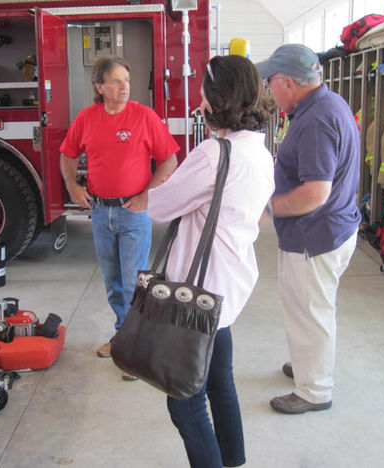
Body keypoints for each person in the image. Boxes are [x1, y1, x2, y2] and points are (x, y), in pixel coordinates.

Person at [148, 55, 275, 468]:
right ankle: (234, 461)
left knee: (184, 404)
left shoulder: (213, 153)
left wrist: (171, 184)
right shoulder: (259, 152)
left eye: (202, 91)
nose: (198, 99)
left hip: (196, 292)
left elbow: (160, 206)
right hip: (227, 286)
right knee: (221, 384)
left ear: (216, 98)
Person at [255, 44, 361, 414]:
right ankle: (307, 364)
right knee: (308, 308)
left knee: (310, 311)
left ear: (287, 82)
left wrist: (267, 207)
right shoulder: (325, 105)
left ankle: (314, 390)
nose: (269, 89)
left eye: (270, 81)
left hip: (314, 237)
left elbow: (315, 193)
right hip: (331, 229)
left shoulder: (316, 120)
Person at [59, 56, 179, 380]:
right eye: (115, 81)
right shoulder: (86, 119)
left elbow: (169, 160)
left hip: (133, 214)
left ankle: (138, 349)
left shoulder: (144, 116)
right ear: (99, 87)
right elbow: (67, 154)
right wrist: (72, 186)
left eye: (126, 79)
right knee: (113, 284)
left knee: (133, 284)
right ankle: (122, 336)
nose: (123, 86)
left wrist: (146, 196)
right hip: (100, 213)